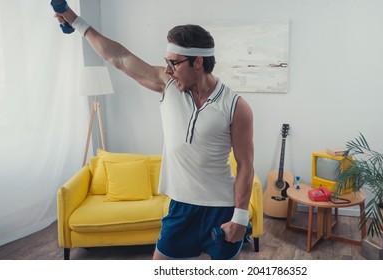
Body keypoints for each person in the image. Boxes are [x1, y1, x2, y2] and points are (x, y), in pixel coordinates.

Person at [54, 5, 254, 260]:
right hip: (181, 208)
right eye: (166, 62)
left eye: (173, 63)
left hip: (221, 209)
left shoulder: (236, 107)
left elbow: (246, 166)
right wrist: (76, 21)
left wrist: (240, 217)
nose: (168, 69)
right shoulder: (167, 85)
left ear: (198, 62)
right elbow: (119, 58)